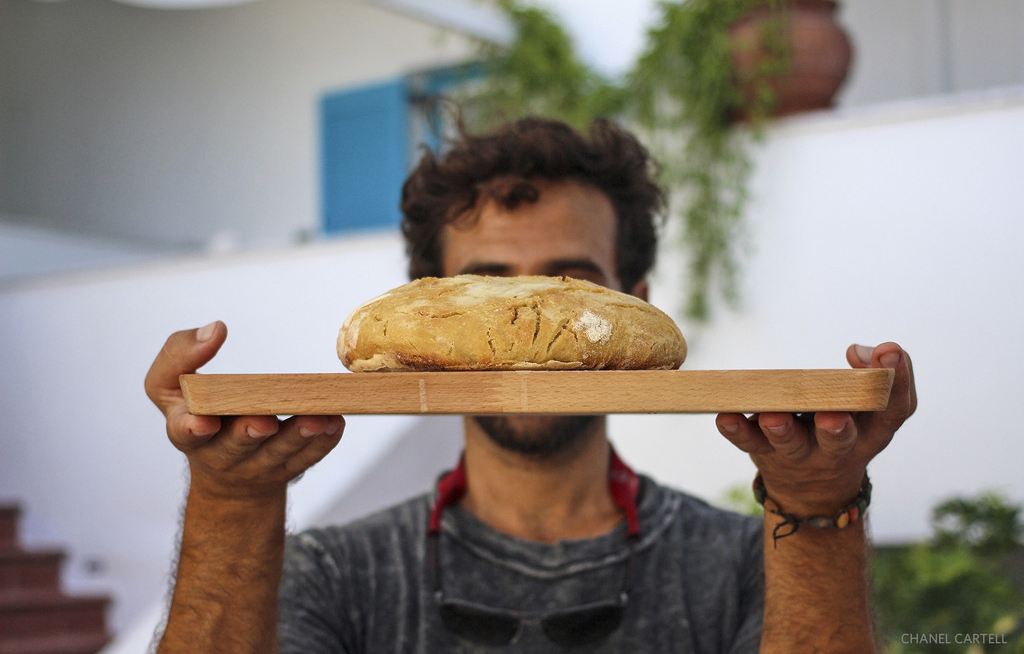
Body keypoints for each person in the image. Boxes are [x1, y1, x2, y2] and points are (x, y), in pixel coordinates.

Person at [145, 116, 916, 653]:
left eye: (567, 284)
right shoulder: (335, 573)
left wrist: (818, 506)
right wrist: (234, 502)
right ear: (426, 306)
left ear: (634, 302)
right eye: (487, 287)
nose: (523, 326)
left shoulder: (747, 561)